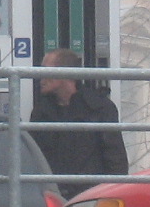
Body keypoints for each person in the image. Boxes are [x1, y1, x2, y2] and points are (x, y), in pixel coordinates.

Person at [29, 48, 128, 199]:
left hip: (91, 197)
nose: (40, 77)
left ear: (64, 73)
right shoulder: (41, 111)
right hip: (54, 197)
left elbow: (115, 160)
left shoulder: (99, 108)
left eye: (45, 70)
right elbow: (33, 159)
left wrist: (113, 196)